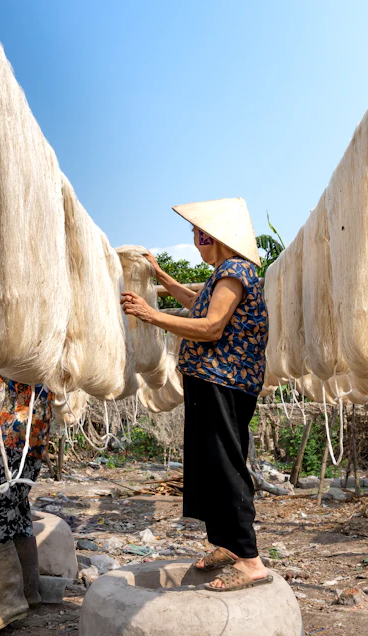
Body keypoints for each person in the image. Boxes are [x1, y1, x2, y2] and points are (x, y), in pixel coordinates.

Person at [120, 197, 270, 592]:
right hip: (211, 381)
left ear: (212, 237)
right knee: (209, 464)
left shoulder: (235, 271)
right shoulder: (224, 274)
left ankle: (251, 561)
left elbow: (211, 326)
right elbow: (197, 302)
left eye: (197, 234)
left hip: (225, 382)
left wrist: (150, 315)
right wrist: (163, 277)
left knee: (224, 465)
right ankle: (228, 545)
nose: (195, 240)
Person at [0, 374, 53, 636]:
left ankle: (8, 604)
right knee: (17, 511)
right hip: (33, 436)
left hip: (16, 436)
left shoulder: (25, 352)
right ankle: (29, 592)